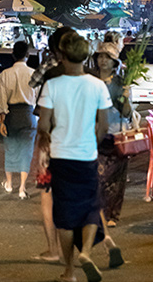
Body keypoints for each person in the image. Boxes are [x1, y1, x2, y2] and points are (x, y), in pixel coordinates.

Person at [37, 31, 112, 282]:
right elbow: (103, 126)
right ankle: (87, 252)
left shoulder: (52, 85)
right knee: (91, 206)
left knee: (65, 216)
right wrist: (92, 143)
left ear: (63, 56)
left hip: (61, 156)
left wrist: (45, 138)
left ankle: (69, 271)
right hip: (86, 155)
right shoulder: (98, 85)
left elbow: (43, 124)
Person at [30, 26, 76, 263]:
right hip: (79, 145)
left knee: (48, 196)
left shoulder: (51, 73)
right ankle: (81, 251)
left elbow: (43, 115)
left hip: (53, 142)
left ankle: (54, 250)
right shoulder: (88, 75)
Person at [91, 41, 132, 228]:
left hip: (115, 134)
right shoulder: (90, 81)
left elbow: (127, 113)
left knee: (115, 178)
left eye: (107, 57)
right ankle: (97, 213)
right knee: (97, 176)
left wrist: (125, 98)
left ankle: (112, 215)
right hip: (93, 133)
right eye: (100, 56)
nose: (103, 60)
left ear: (114, 62)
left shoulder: (120, 83)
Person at [0, 41, 37, 199]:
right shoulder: (33, 74)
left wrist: (2, 121)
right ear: (27, 55)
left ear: (13, 55)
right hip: (28, 115)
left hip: (11, 116)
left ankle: (9, 183)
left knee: (10, 150)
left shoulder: (5, 74)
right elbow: (38, 98)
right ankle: (22, 188)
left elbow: (2, 101)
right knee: (26, 152)